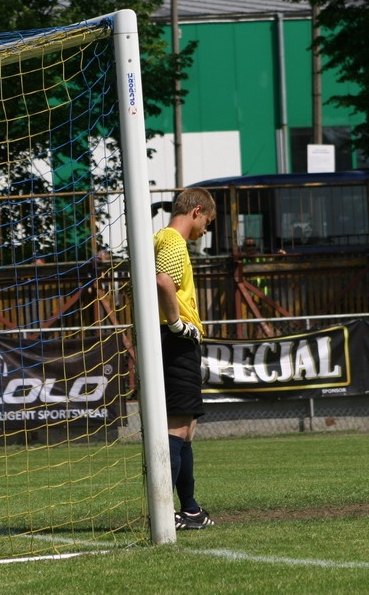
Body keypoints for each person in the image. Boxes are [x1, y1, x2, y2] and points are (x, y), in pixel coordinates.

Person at [153, 186, 217, 531]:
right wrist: (178, 325)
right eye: (207, 221)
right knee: (176, 429)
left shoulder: (161, 239)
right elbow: (163, 281)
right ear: (195, 211)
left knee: (186, 429)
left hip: (171, 341)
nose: (205, 230)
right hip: (174, 340)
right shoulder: (174, 241)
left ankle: (190, 509)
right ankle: (165, 514)